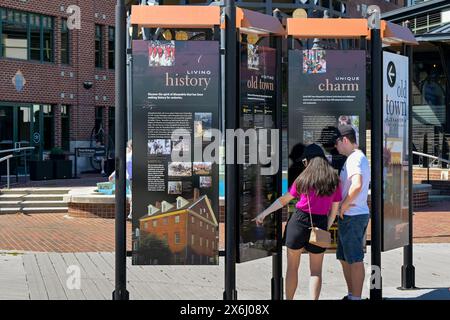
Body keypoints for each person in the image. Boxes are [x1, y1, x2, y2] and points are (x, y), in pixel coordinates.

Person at [253, 143, 341, 300]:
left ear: (308, 161)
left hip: (298, 222)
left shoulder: (304, 179)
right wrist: (324, 228)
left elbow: (284, 200)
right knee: (316, 271)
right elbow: (334, 211)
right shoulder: (334, 180)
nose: (303, 164)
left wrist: (264, 213)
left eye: (304, 161)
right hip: (319, 222)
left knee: (292, 268)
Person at [334, 125, 371, 300]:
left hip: (353, 216)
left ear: (345, 140)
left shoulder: (355, 158)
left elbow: (357, 185)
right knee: (344, 257)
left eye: (337, 142)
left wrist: (343, 205)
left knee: (354, 259)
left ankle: (356, 297)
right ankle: (351, 294)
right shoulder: (355, 158)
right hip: (351, 215)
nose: (336, 146)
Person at [109, 140, 133, 220]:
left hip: (129, 178)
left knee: (131, 195)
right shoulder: (138, 156)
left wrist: (112, 175)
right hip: (134, 179)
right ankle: (131, 213)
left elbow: (119, 167)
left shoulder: (127, 156)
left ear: (129, 147)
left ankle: (131, 213)